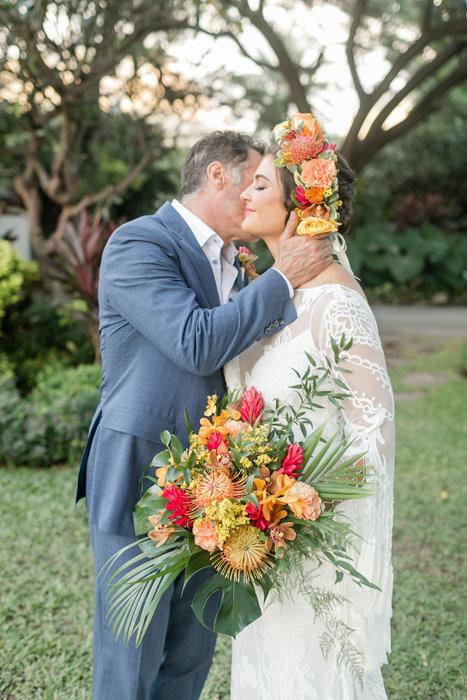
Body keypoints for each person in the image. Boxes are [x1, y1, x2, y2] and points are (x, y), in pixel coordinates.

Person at [75, 130, 334, 700]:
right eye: (255, 180)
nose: (257, 199)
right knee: (131, 650)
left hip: (220, 482)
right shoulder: (139, 242)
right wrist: (283, 276)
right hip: (139, 465)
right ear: (218, 174)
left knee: (191, 652)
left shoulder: (237, 264)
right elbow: (194, 343)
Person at [224, 114, 395, 699]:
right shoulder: (271, 292)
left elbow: (372, 432)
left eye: (261, 185)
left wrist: (298, 506)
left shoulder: (335, 302)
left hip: (310, 537)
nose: (245, 192)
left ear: (302, 206)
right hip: (259, 536)